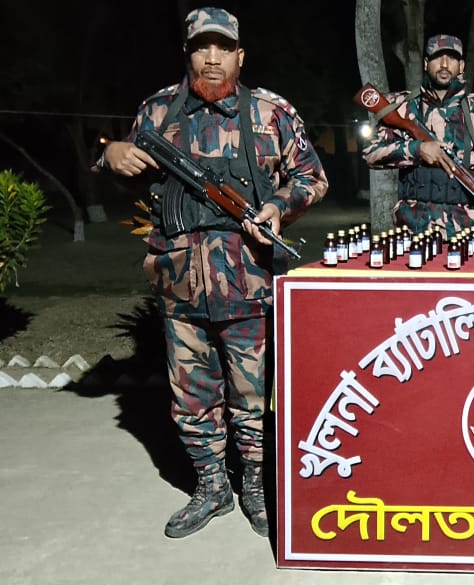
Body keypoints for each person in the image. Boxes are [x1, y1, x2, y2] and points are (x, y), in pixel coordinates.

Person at [97, 7, 327, 538]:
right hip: (179, 285)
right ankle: (211, 487)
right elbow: (123, 167)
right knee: (191, 398)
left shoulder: (270, 112)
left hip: (249, 284)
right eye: (202, 46)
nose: (213, 58)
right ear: (188, 53)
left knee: (253, 397)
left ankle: (255, 486)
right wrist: (112, 155)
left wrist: (278, 208)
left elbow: (312, 177)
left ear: (240, 56)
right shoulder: (157, 112)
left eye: (224, 47)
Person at [361, 34, 474, 239]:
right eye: (437, 57)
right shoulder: (402, 106)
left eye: (452, 58)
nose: (445, 64)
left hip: (465, 230)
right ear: (425, 63)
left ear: (461, 66)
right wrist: (417, 150)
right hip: (411, 229)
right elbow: (370, 153)